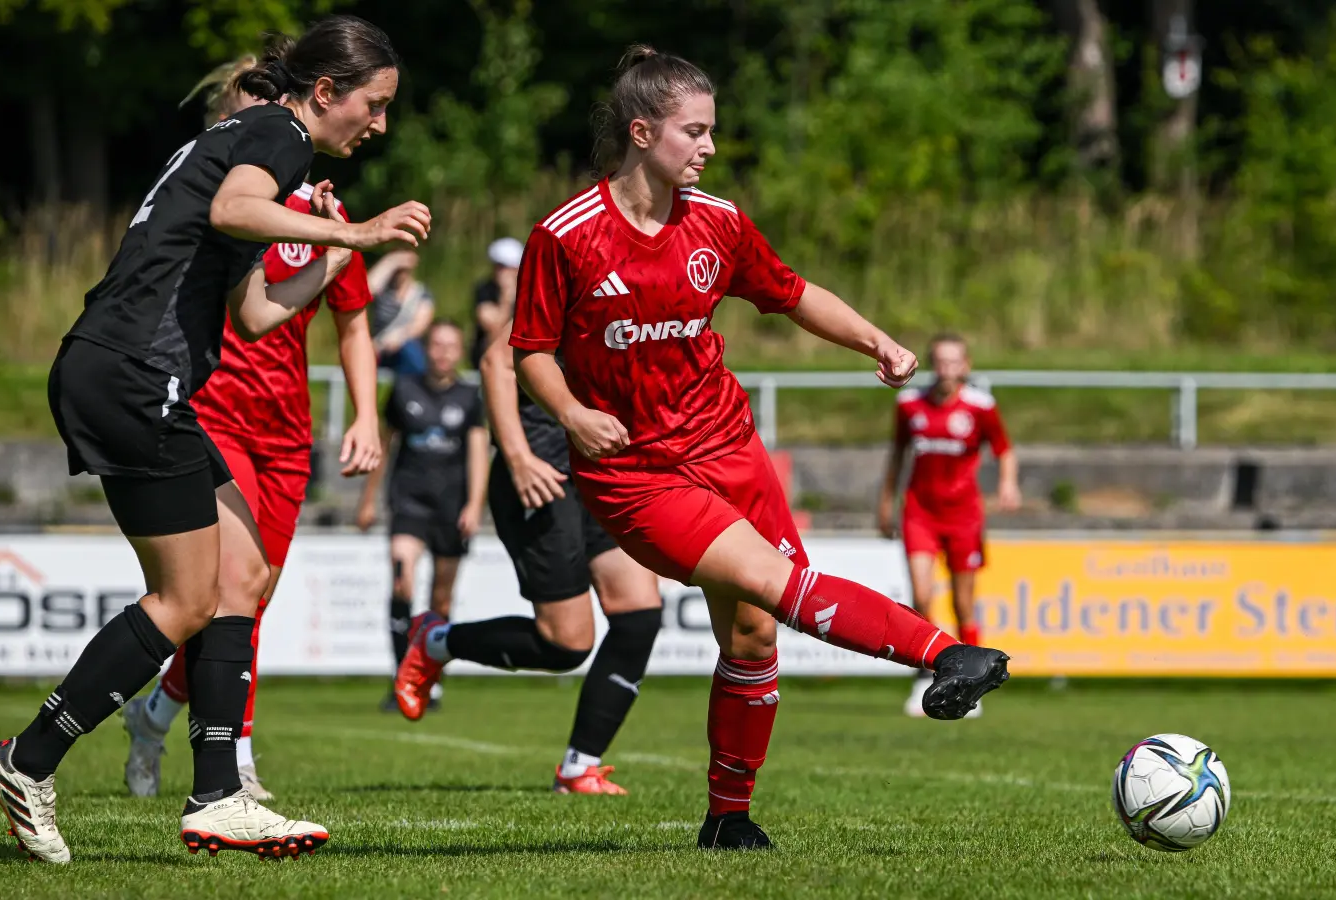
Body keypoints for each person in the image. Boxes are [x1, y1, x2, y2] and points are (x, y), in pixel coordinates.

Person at [499, 46, 1011, 851]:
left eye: (712, 132)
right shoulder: (567, 236)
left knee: (753, 633)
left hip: (729, 446)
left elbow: (792, 292)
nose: (708, 147)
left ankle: (727, 818)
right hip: (635, 474)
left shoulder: (719, 221)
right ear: (642, 132)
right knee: (773, 583)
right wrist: (570, 412)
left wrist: (875, 339)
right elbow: (527, 347)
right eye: (693, 132)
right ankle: (945, 653)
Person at [0, 16, 430, 863]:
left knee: (241, 575)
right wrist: (357, 234)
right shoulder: (276, 133)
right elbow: (234, 207)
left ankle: (218, 794)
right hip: (134, 377)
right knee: (184, 600)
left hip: (125, 373)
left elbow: (255, 315)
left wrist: (329, 260)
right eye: (374, 104)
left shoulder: (239, 139)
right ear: (324, 93)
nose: (380, 124)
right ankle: (26, 759)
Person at [118, 54, 381, 803]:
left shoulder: (317, 214)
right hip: (212, 412)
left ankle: (160, 711)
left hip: (286, 433)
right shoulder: (217, 200)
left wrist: (365, 414)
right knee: (231, 589)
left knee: (248, 593)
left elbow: (353, 323)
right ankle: (233, 756)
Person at [391, 319, 662, 795]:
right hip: (542, 475)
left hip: (601, 471)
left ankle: (580, 767)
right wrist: (516, 457)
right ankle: (436, 640)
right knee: (567, 645)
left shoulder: (648, 281)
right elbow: (496, 361)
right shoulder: (570, 265)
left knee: (639, 614)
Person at [879, 333, 1019, 718]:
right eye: (940, 361)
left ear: (966, 366)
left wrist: (1008, 483)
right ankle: (928, 677)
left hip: (963, 516)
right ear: (931, 364)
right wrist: (884, 503)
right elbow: (897, 454)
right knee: (922, 598)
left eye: (954, 361)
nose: (946, 369)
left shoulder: (980, 406)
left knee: (962, 604)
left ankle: (971, 687)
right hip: (919, 512)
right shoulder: (909, 404)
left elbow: (1004, 450)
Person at [356, 319, 488, 708]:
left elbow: (479, 453)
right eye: (437, 345)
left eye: (451, 346)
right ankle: (401, 677)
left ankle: (429, 680)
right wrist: (368, 499)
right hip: (408, 502)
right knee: (402, 580)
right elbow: (383, 446)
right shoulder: (403, 389)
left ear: (459, 352)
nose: (443, 352)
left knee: (441, 601)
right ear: (427, 349)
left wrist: (475, 504)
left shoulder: (469, 396)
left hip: (452, 507)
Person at [368, 249, 433, 376]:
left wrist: (398, 338)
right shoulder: (382, 292)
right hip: (378, 348)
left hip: (404, 349)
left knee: (411, 351)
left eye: (404, 269)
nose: (400, 273)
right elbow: (364, 289)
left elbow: (420, 325)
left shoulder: (421, 293)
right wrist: (391, 261)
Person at [470, 237, 524, 368]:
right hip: (488, 362)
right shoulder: (485, 290)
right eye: (498, 266)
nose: (501, 272)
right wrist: (506, 298)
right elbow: (493, 330)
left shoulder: (530, 293)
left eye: (506, 267)